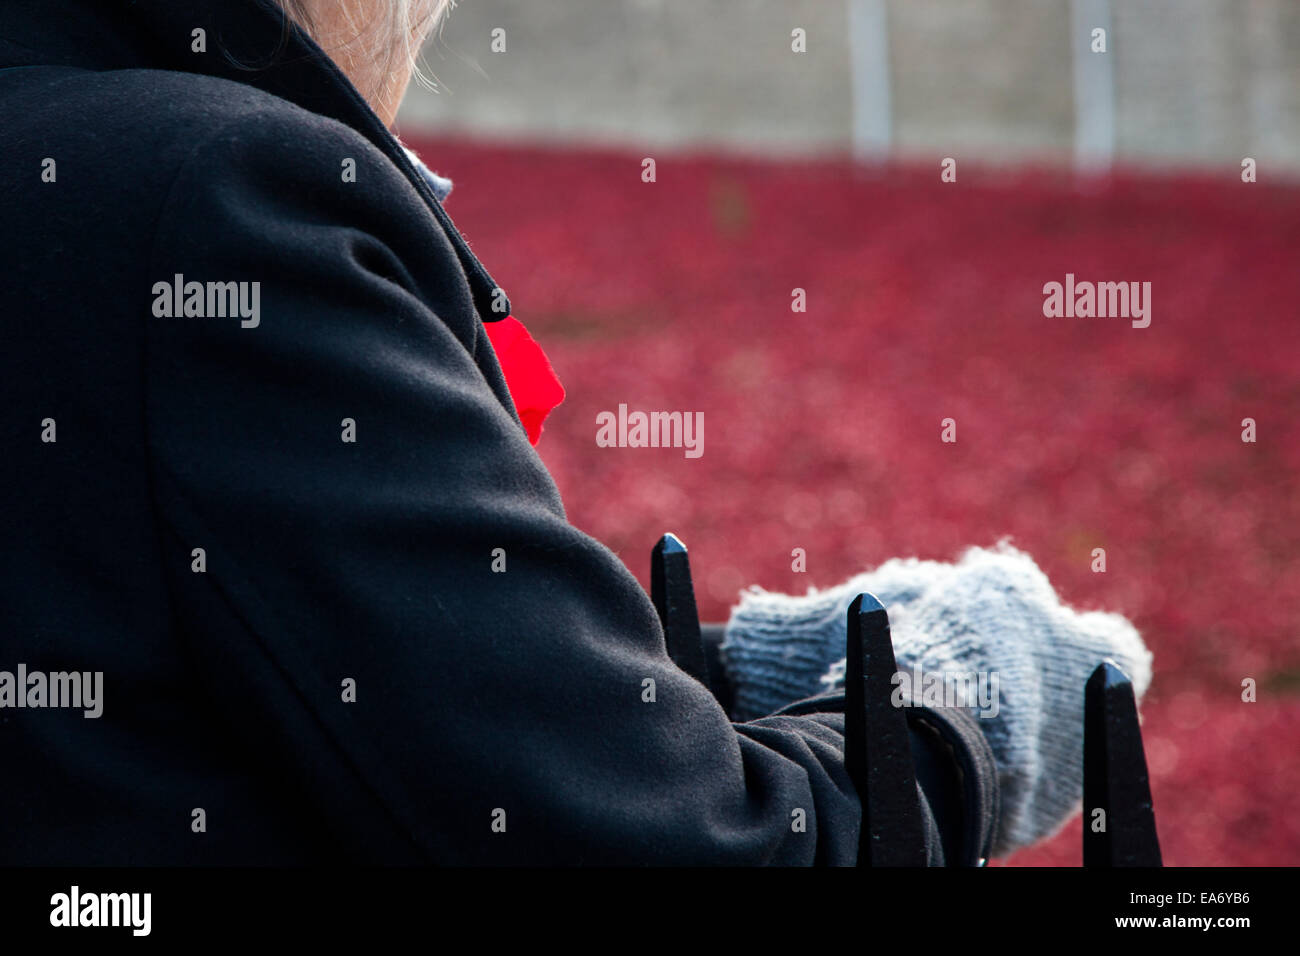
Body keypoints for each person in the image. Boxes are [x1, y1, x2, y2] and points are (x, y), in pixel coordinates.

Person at [0, 0, 1150, 865]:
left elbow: (235, 648)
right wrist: (957, 723)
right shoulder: (215, 189)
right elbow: (643, 846)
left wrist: (703, 677)